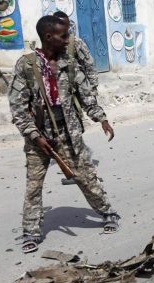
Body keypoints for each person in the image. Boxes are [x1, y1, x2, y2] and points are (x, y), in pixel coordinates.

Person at [8, 16, 120, 254]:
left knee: (86, 177)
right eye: (64, 35)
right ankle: (31, 232)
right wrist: (33, 135)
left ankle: (108, 212)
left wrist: (102, 118)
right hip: (38, 138)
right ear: (49, 37)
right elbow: (17, 108)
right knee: (34, 186)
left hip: (68, 135)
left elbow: (86, 95)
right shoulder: (26, 66)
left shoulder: (69, 64)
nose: (68, 39)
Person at [53, 11, 99, 186]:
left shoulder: (75, 43)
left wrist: (92, 90)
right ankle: (77, 168)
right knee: (66, 133)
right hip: (60, 98)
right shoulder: (52, 44)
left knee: (74, 131)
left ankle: (85, 172)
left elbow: (89, 65)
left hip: (76, 94)